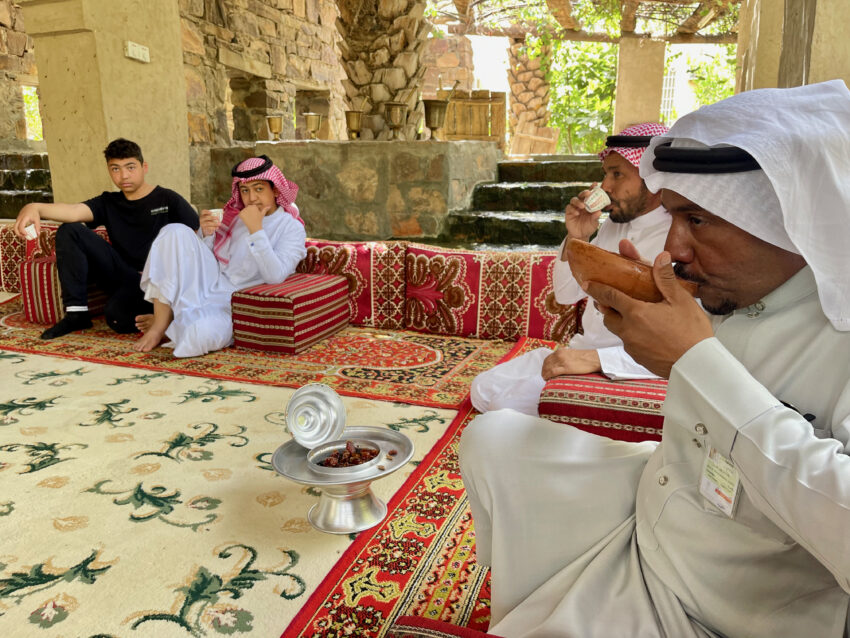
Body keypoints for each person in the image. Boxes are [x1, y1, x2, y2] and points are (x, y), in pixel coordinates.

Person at [459, 80, 850, 638]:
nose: (674, 250)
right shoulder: (724, 286)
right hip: (660, 502)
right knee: (492, 439)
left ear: (789, 217)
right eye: (672, 216)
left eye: (699, 220)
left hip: (726, 596)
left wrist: (696, 359)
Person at [470, 123, 671, 416]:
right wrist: (577, 237)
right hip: (579, 349)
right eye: (606, 174)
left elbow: (679, 349)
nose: (606, 187)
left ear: (654, 179)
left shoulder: (676, 238)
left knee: (503, 407)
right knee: (482, 389)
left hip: (621, 365)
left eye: (617, 174)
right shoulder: (613, 226)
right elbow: (565, 295)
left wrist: (596, 360)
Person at [13, 138, 199, 339]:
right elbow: (74, 211)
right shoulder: (108, 202)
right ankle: (76, 314)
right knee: (70, 230)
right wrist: (34, 207)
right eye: (115, 169)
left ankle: (167, 318)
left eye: (130, 167)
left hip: (159, 285)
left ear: (144, 167)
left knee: (117, 318)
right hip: (125, 276)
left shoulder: (168, 198)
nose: (124, 175)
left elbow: (195, 243)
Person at [132, 155, 307, 357]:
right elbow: (215, 259)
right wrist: (205, 235)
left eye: (259, 189)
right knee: (174, 231)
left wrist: (256, 230)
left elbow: (275, 276)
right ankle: (160, 325)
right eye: (245, 191)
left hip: (235, 305)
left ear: (275, 189)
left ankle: (174, 321)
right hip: (211, 284)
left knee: (198, 335)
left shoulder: (291, 227)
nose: (251, 198)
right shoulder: (236, 218)